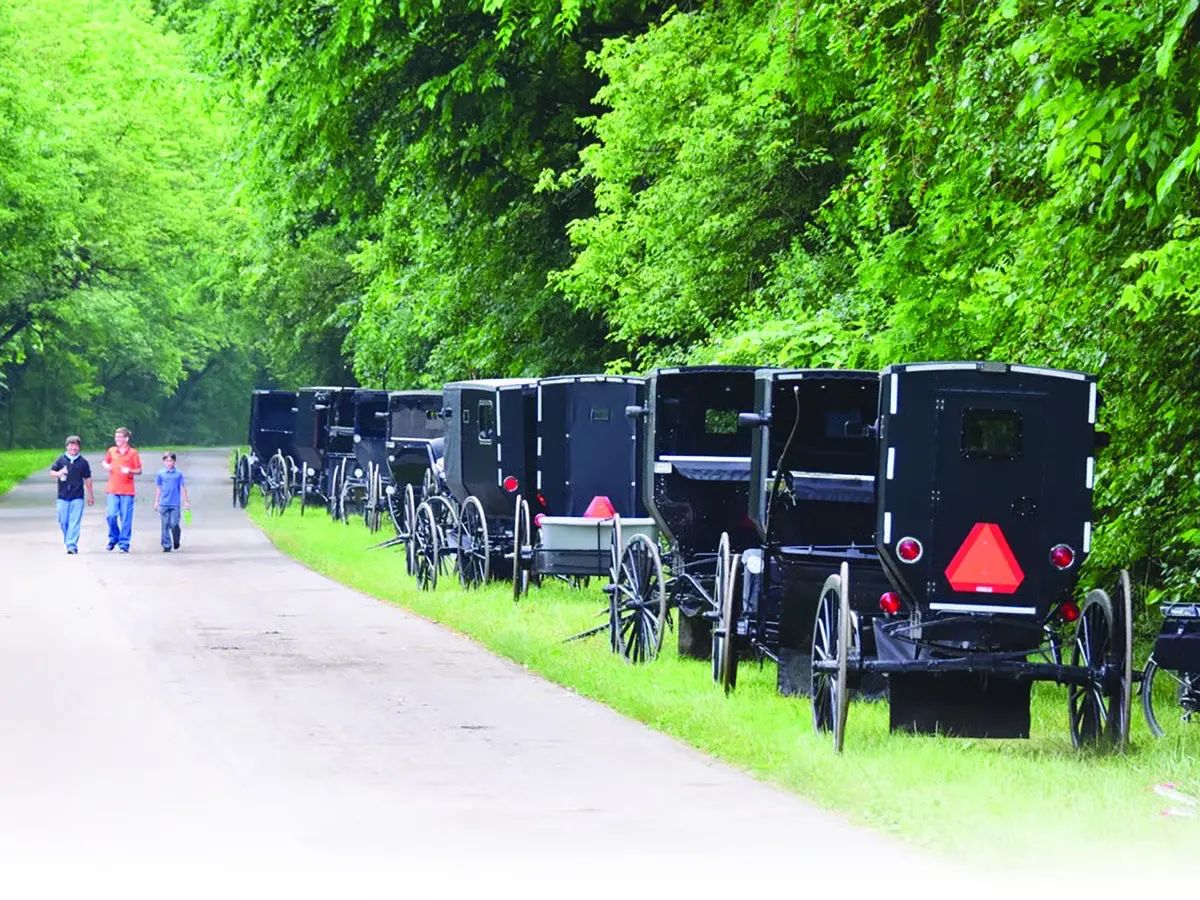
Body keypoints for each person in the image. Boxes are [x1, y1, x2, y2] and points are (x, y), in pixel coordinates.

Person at [48, 435, 94, 554]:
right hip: (62, 496)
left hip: (77, 496)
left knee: (74, 521)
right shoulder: (61, 459)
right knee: (63, 520)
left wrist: (91, 495)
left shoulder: (83, 462)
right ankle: (68, 539)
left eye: (76, 445)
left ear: (79, 447)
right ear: (67, 446)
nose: (73, 448)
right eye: (71, 445)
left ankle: (71, 545)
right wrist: (59, 473)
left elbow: (88, 479)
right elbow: (51, 473)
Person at [102, 426, 142, 552]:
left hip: (127, 490)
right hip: (112, 489)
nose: (117, 439)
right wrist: (106, 466)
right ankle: (114, 537)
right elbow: (105, 462)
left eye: (120, 437)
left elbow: (139, 470)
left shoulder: (133, 453)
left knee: (126, 518)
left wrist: (129, 470)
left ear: (126, 438)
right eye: (116, 437)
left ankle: (124, 543)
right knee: (111, 516)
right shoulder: (112, 451)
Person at [153, 451, 190, 552]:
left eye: (171, 461)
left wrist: (186, 501)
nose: (169, 463)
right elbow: (159, 488)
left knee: (174, 523)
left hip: (175, 503)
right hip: (164, 503)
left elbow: (182, 488)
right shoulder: (161, 474)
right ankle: (166, 544)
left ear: (174, 462)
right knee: (165, 524)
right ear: (164, 462)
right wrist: (156, 501)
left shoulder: (178, 474)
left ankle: (176, 538)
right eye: (167, 461)